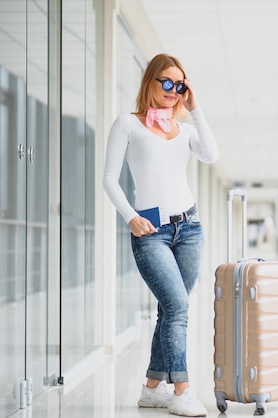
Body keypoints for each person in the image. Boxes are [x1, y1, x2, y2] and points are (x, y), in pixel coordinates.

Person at [103, 53, 219, 416]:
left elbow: (212, 156)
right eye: (166, 82)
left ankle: (152, 387)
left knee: (170, 309)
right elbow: (109, 179)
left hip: (189, 228)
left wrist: (195, 110)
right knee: (179, 307)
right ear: (150, 82)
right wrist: (130, 217)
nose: (172, 90)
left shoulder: (184, 130)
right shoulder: (128, 124)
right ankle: (182, 388)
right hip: (150, 231)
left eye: (179, 85)